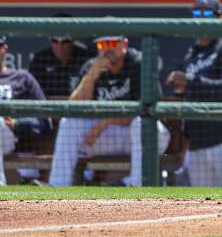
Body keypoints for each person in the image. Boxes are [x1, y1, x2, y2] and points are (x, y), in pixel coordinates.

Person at [48, 35, 171, 186]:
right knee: (69, 123)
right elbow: (73, 107)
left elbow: (147, 111)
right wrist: (91, 76)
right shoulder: (92, 66)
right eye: (102, 45)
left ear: (124, 44)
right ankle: (57, 186)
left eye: (112, 43)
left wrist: (104, 123)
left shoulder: (139, 63)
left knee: (140, 123)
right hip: (109, 138)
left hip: (148, 138)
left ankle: (137, 185)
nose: (107, 49)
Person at [165, 0, 222, 186]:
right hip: (197, 145)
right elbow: (188, 101)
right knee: (203, 206)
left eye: (207, 14)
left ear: (219, 18)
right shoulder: (191, 55)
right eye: (197, 13)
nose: (201, 18)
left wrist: (190, 80)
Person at [0, 36, 51, 186]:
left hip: (11, 138)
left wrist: (17, 123)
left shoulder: (22, 77)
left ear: (4, 49)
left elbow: (45, 119)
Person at [28, 23, 94, 98]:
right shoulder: (40, 59)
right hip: (48, 109)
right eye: (55, 41)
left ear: (73, 39)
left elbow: (92, 96)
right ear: (49, 40)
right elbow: (34, 96)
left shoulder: (87, 59)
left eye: (65, 41)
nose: (60, 46)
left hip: (80, 109)